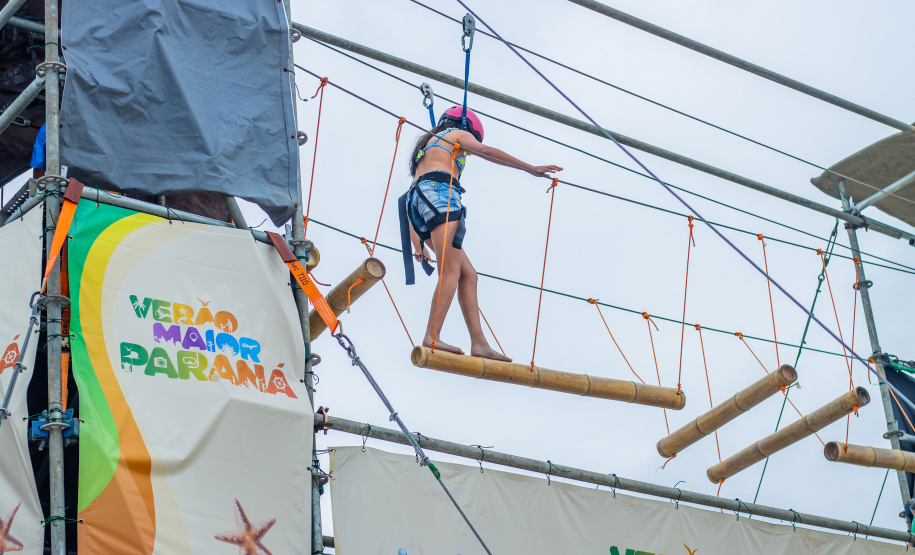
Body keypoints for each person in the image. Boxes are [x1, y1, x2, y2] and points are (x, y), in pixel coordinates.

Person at [399, 106, 562, 361]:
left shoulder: (427, 148)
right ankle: (432, 335)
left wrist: (418, 246)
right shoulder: (456, 134)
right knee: (450, 271)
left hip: (419, 203)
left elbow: (409, 202)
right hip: (441, 195)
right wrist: (530, 168)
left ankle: (479, 342)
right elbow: (486, 151)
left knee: (468, 275)